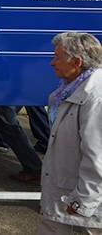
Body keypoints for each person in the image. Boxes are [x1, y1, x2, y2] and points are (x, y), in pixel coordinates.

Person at [38, 32, 102, 235]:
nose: (51, 63)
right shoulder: (70, 89)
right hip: (64, 193)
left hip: (82, 202)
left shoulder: (95, 98)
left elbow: (97, 156)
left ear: (77, 62)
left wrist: (83, 202)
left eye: (57, 57)